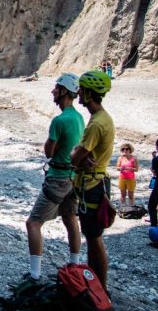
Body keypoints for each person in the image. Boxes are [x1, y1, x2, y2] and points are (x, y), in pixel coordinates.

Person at [23, 73, 85, 283]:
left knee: (33, 223)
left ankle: (34, 273)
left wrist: (51, 146)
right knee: (70, 219)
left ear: (64, 92)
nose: (53, 91)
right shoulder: (78, 117)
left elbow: (49, 151)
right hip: (73, 177)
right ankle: (75, 263)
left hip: (57, 177)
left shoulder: (59, 121)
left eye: (56, 88)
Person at [70, 69, 115, 291]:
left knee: (95, 238)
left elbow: (76, 156)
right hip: (95, 183)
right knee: (92, 235)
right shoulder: (101, 119)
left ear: (88, 93)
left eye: (82, 89)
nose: (78, 92)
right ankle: (96, 283)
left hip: (92, 186)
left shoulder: (97, 123)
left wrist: (75, 156)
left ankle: (101, 288)